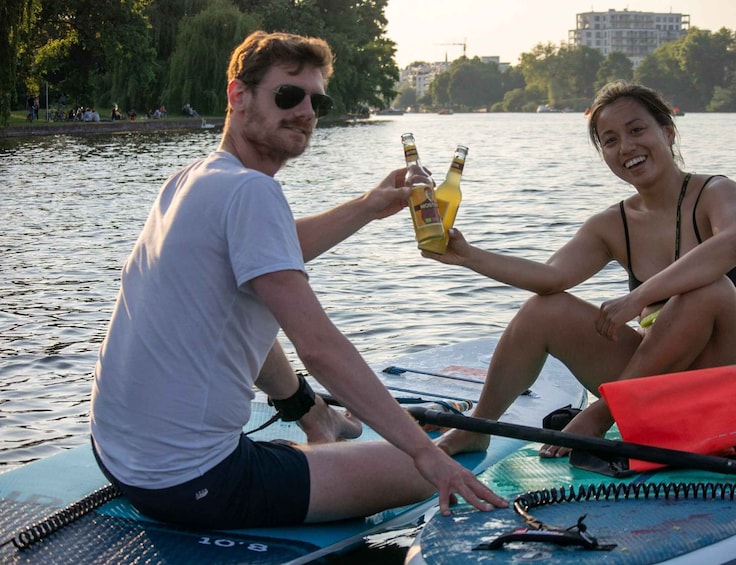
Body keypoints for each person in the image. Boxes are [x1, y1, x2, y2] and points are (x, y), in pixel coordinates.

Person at [89, 30, 505, 530]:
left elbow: (277, 248)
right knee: (416, 470)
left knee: (250, 306)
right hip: (194, 482)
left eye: (317, 101)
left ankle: (313, 416)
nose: (306, 111)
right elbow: (320, 347)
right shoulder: (251, 194)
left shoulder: (195, 178)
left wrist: (369, 207)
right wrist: (426, 455)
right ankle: (333, 435)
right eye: (288, 95)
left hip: (117, 458)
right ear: (238, 96)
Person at [426, 81, 736, 459]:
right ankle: (479, 428)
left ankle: (600, 416)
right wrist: (468, 255)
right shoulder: (612, 223)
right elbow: (550, 277)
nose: (626, 147)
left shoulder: (717, 192)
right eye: (610, 140)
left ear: (667, 132)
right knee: (544, 309)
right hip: (657, 390)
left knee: (711, 288)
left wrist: (639, 297)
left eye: (637, 130)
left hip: (731, 388)